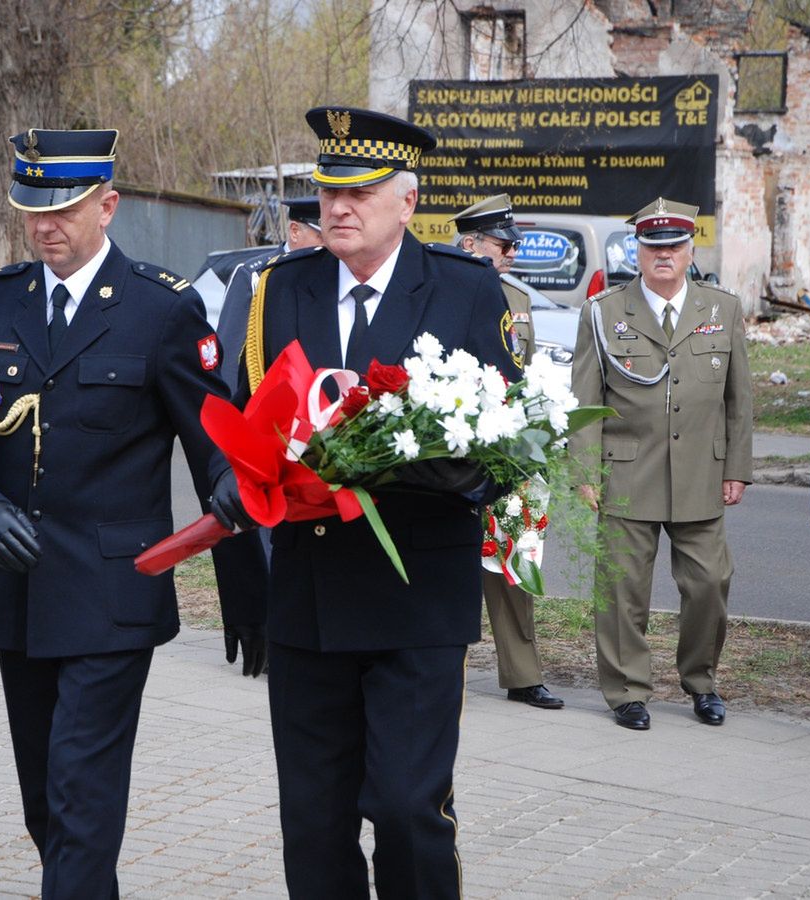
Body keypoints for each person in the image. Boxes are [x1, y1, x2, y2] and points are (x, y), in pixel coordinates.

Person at [0, 127, 266, 898]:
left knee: (81, 796)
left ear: (107, 206)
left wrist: (237, 524)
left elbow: (217, 442)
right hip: (22, 591)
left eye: (64, 208)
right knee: (46, 802)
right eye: (33, 209)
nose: (45, 225)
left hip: (114, 595)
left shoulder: (160, 310)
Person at [238, 106, 521, 897]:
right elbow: (246, 429)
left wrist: (438, 472)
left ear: (408, 200)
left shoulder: (464, 291)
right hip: (310, 595)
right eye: (328, 192)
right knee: (314, 820)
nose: (337, 209)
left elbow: (510, 442)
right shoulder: (279, 289)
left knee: (405, 809)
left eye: (359, 193)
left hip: (416, 597)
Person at [569, 197, 753, 731]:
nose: (664, 255)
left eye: (674, 246)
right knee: (622, 589)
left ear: (690, 248)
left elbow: (739, 399)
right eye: (654, 247)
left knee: (710, 583)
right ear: (639, 251)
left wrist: (736, 467)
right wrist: (584, 472)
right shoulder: (603, 313)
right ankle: (627, 690)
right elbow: (585, 400)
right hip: (626, 470)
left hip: (701, 471)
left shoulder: (722, 309)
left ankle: (701, 681)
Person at [452, 194, 564, 710]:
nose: (512, 254)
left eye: (514, 245)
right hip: (450, 445)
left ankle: (522, 673)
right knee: (447, 561)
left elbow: (526, 368)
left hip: (507, 448)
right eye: (503, 245)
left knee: (514, 559)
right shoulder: (442, 284)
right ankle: (442, 667)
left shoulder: (516, 298)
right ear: (471, 243)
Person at [217, 197, 325, 389]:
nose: (328, 245)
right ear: (294, 231)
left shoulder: (331, 272)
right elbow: (231, 351)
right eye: (322, 237)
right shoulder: (254, 274)